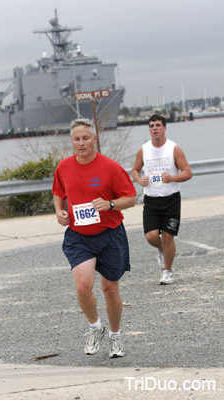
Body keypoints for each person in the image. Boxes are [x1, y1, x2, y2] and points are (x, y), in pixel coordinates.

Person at [52, 118, 136, 358]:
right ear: (72, 141)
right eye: (76, 139)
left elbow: (130, 198)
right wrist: (59, 211)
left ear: (94, 139)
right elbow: (58, 193)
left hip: (110, 235)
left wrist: (110, 204)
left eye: (85, 138)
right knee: (82, 286)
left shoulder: (110, 167)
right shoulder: (64, 167)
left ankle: (115, 336)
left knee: (110, 290)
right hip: (79, 237)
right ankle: (95, 327)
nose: (81, 143)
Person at [131, 114, 192, 285]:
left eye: (158, 125)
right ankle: (161, 250)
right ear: (149, 129)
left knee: (168, 236)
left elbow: (187, 172)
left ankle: (167, 271)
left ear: (165, 127)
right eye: (151, 126)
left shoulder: (174, 148)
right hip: (151, 200)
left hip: (170, 199)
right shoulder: (143, 149)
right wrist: (139, 180)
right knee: (151, 237)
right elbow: (135, 169)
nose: (155, 128)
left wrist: (172, 178)